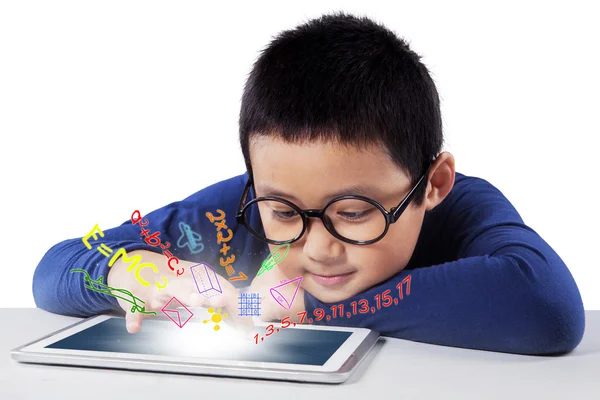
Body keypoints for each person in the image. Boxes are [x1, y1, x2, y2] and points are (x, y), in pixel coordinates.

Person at [33, 12, 584, 355]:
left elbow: (547, 308)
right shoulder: (241, 208)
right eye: (284, 212)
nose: (318, 249)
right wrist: (132, 270)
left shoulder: (463, 206)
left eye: (354, 212)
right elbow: (53, 269)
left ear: (432, 184)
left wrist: (299, 308)